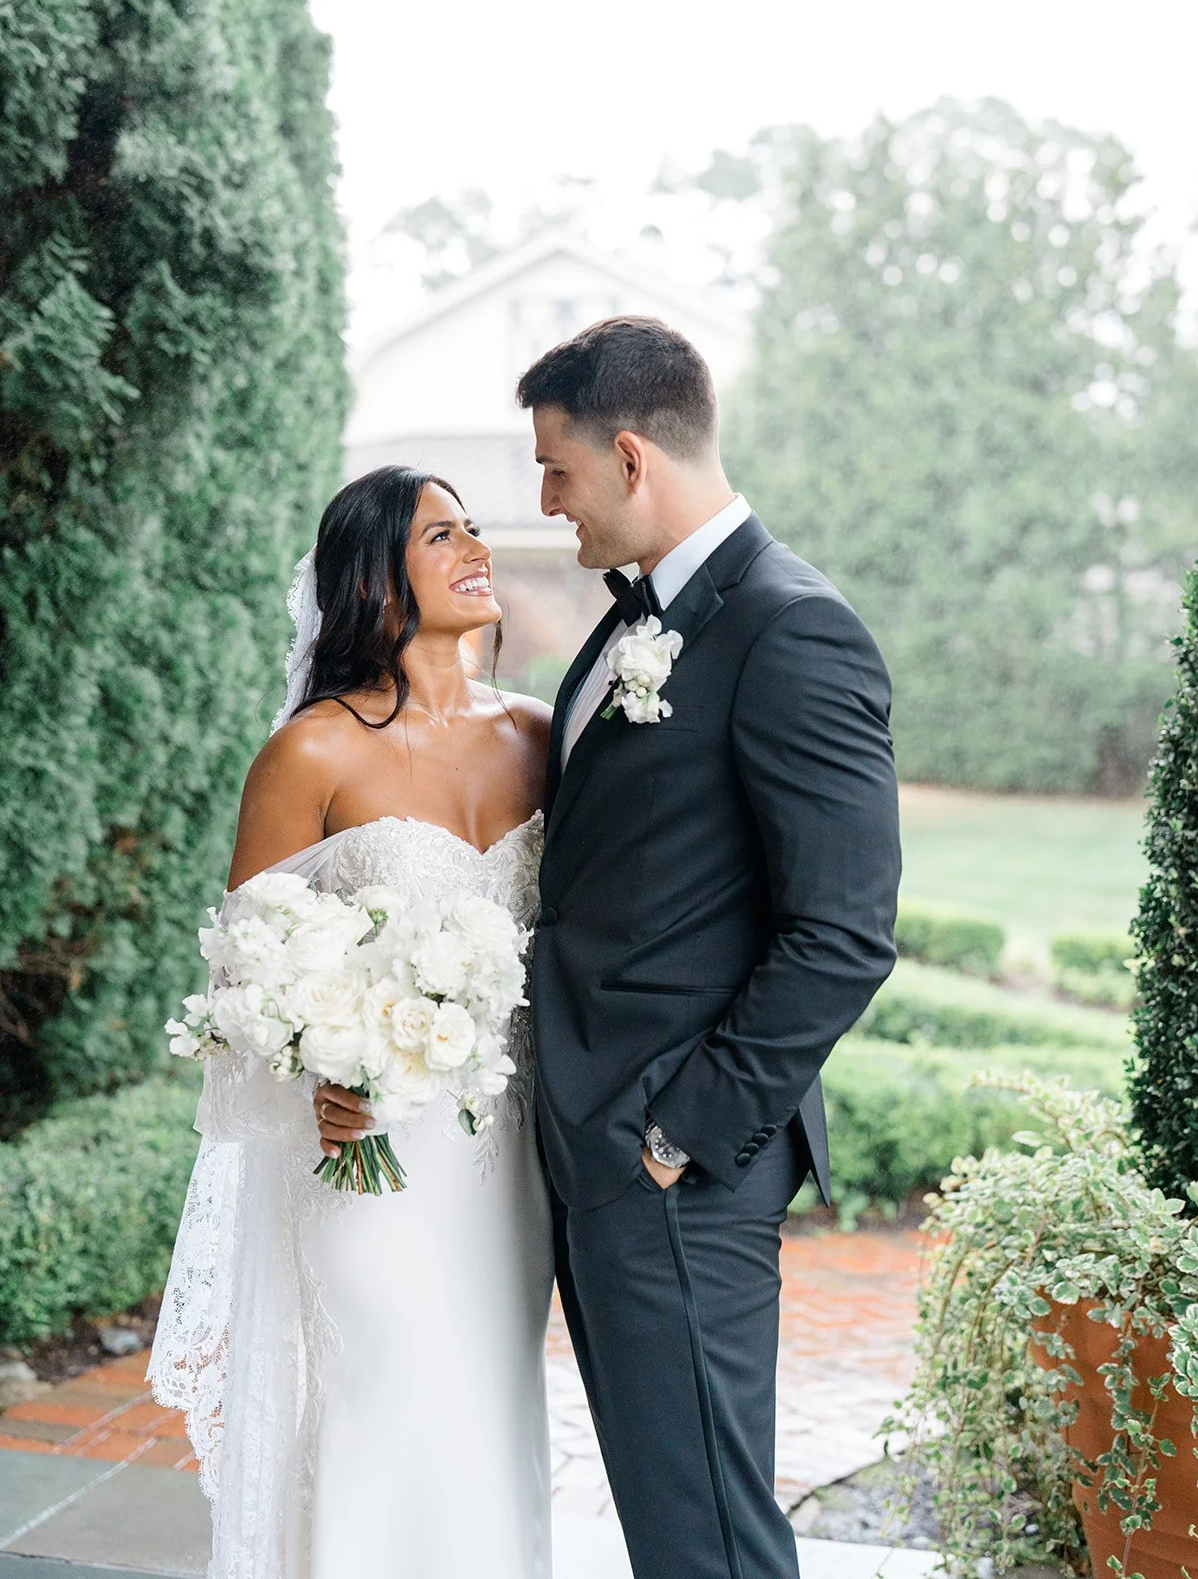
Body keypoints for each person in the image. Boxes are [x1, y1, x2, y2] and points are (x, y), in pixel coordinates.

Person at [518, 314, 901, 1579]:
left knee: (708, 1537)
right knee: (667, 1507)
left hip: (672, 1159)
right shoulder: (636, 619)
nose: (546, 501)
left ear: (632, 457)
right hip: (603, 1142)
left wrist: (677, 1132)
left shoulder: (792, 627)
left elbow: (842, 933)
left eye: (557, 470)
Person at [149, 466, 555, 1579]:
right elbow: (245, 984)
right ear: (377, 576)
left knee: (489, 1404)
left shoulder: (540, 735)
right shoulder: (311, 752)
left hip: (508, 1160)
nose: (476, 547)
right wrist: (318, 1073)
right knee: (382, 1401)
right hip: (365, 1151)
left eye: (475, 528)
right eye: (441, 534)